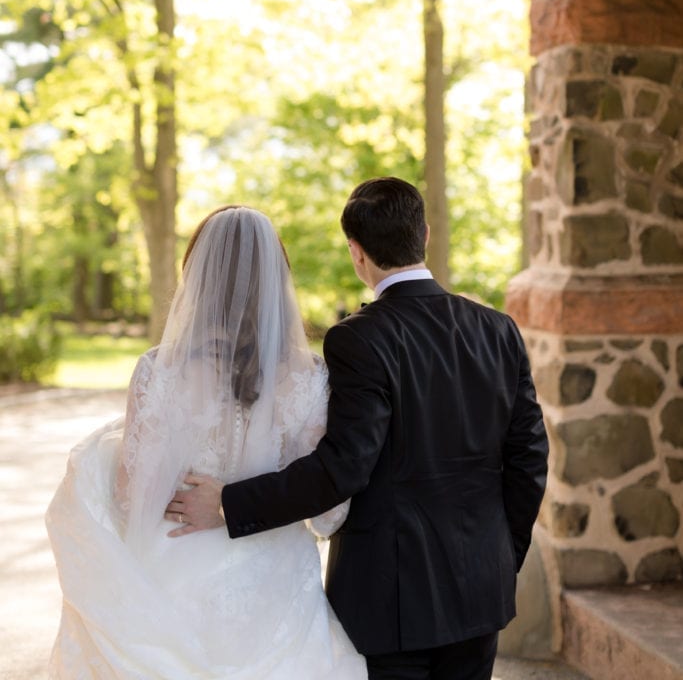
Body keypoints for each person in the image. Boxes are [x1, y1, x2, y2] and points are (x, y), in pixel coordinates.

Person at [168, 178, 549, 680]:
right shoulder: (498, 329)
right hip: (482, 586)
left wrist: (228, 502)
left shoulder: (358, 339)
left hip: (390, 598)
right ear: (426, 235)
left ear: (356, 252)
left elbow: (341, 470)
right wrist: (502, 554)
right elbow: (529, 458)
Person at [46, 205, 367, 680]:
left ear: (196, 276)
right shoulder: (311, 377)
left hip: (175, 568)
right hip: (275, 590)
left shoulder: (158, 370)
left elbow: (131, 499)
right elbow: (328, 512)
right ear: (277, 281)